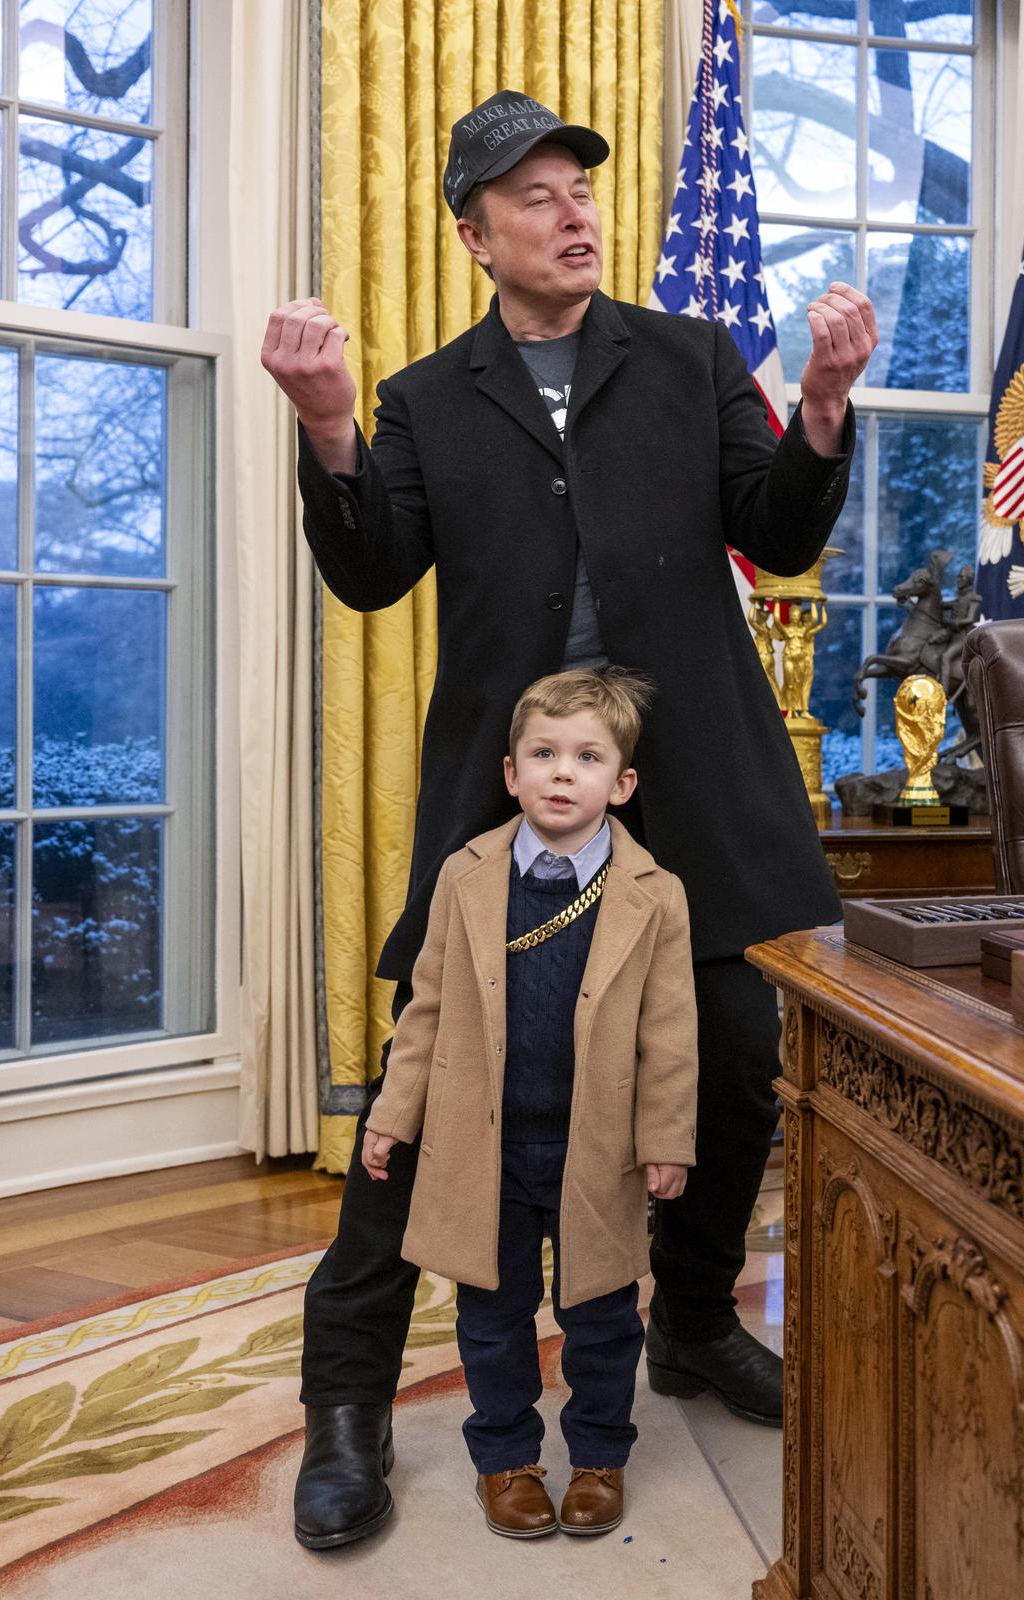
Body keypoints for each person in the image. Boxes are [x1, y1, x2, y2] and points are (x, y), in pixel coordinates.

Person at [260, 89, 876, 1549]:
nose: (574, 213)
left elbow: (776, 532)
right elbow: (370, 573)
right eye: (533, 198)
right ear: (477, 237)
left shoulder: (688, 357)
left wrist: (830, 409)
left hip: (699, 795)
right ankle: (344, 1403)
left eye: (581, 190)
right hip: (514, 797)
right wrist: (331, 426)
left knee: (732, 1069)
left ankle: (694, 1325)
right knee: (429, 1102)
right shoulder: (422, 397)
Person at [359, 669, 696, 1541]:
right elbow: (425, 1010)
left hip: (598, 1151)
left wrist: (668, 1141)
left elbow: (670, 1033)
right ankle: (505, 1459)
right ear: (510, 773)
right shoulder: (465, 878)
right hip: (488, 1149)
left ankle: (597, 1458)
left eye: (586, 757)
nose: (560, 772)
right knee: (492, 1317)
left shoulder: (654, 894)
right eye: (542, 754)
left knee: (602, 1319)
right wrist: (392, 1116)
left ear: (620, 784)